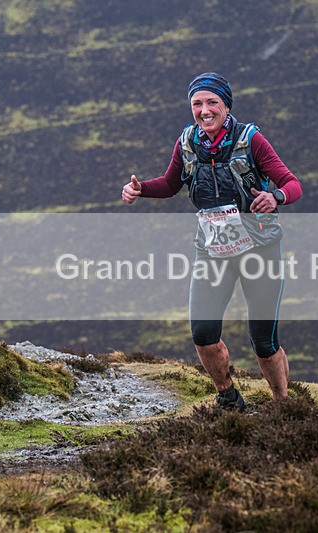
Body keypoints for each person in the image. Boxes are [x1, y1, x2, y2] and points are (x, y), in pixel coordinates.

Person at [121, 72, 302, 410]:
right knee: (203, 333)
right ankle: (228, 397)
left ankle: (282, 403)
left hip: (260, 249)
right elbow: (171, 183)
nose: (204, 110)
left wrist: (276, 196)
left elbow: (292, 183)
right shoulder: (187, 142)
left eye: (211, 103)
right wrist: (141, 188)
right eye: (197, 104)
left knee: (264, 341)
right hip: (213, 251)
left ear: (226, 105)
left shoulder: (251, 141)